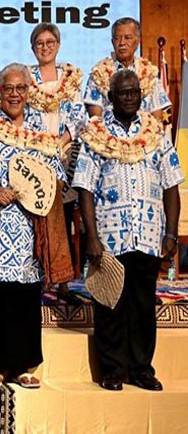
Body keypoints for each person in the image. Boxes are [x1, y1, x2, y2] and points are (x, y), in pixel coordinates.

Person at [74, 69, 183, 392]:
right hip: (110, 237)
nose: (129, 97)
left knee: (143, 304)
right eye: (122, 93)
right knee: (111, 303)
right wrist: (92, 237)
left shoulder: (157, 133)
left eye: (134, 92)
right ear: (110, 97)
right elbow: (84, 188)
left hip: (148, 235)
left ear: (141, 94)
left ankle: (141, 369)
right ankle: (112, 369)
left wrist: (171, 234)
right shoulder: (95, 134)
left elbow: (171, 185)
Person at [0, 63, 65, 388]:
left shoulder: (41, 131)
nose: (15, 94)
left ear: (29, 92)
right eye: (9, 88)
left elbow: (57, 178)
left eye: (21, 88)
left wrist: (41, 194)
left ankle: (25, 365)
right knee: (1, 295)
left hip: (30, 229)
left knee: (27, 296)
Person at [28, 22, 86, 301]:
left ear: (58, 46)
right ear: (33, 48)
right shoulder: (26, 78)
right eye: (39, 43)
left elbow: (79, 116)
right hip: (35, 156)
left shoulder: (70, 79)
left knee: (62, 219)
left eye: (50, 42)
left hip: (64, 156)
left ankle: (63, 284)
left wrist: (61, 142)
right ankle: (38, 280)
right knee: (35, 220)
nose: (45, 47)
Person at [84, 17, 170, 119]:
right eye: (117, 38)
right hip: (108, 128)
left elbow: (157, 115)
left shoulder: (149, 74)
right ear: (112, 42)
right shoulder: (99, 74)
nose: (122, 43)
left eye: (127, 38)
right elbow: (95, 118)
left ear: (137, 42)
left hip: (144, 128)